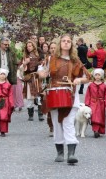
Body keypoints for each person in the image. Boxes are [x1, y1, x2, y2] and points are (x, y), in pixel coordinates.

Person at [38, 34, 90, 164]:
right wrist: (42, 74)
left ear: (71, 44)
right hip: (54, 94)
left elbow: (87, 77)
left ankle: (71, 154)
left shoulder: (75, 60)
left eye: (68, 41)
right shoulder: (51, 59)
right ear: (59, 43)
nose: (66, 43)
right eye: (63, 41)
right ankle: (60, 153)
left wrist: (79, 79)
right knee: (56, 124)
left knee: (68, 123)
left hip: (70, 96)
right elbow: (41, 72)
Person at [84, 68, 106, 138]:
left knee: (100, 117)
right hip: (92, 103)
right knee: (94, 117)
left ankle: (99, 130)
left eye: (99, 75)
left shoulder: (104, 86)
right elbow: (88, 95)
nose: (97, 76)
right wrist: (87, 104)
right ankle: (95, 130)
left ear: (102, 76)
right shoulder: (91, 85)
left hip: (101, 104)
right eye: (96, 75)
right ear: (94, 76)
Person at [20, 40, 44, 121]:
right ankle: (30, 115)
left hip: (36, 78)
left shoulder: (38, 56)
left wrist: (40, 72)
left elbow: (41, 65)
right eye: (27, 46)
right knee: (30, 97)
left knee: (39, 96)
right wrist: (24, 64)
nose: (28, 47)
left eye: (30, 46)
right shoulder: (24, 57)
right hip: (29, 78)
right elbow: (21, 69)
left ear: (33, 46)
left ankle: (40, 114)